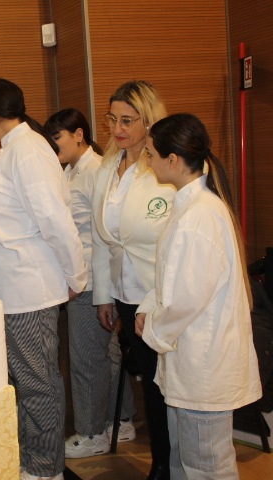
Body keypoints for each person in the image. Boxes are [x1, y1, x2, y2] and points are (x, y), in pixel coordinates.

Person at [0, 78, 87, 480]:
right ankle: (27, 460)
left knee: (38, 385)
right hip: (8, 293)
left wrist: (76, 276)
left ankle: (45, 469)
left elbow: (56, 221)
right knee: (23, 383)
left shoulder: (29, 150)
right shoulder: (15, 150)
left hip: (29, 292)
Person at [135, 113, 262, 479]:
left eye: (150, 154)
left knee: (207, 466)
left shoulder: (199, 216)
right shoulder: (192, 207)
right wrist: (149, 310)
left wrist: (153, 327)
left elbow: (187, 299)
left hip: (203, 365)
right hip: (190, 362)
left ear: (172, 160)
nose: (148, 161)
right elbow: (169, 281)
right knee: (185, 461)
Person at [91, 80, 175, 480]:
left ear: (148, 120)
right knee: (148, 383)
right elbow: (101, 240)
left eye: (128, 120)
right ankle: (162, 458)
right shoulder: (107, 167)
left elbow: (175, 243)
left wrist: (157, 299)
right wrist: (104, 297)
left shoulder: (164, 167)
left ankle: (165, 464)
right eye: (112, 119)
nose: (118, 128)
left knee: (166, 385)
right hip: (125, 293)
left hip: (163, 295)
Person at [44, 108, 137, 459]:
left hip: (91, 280)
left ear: (79, 134)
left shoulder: (97, 170)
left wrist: (101, 293)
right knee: (106, 356)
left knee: (86, 360)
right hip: (80, 277)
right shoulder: (69, 172)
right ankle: (122, 420)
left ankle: (92, 432)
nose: (54, 147)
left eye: (58, 138)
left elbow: (102, 235)